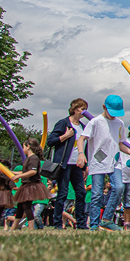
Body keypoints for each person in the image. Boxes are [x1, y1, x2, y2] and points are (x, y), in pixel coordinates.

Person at [76, 94, 129, 231]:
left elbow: (120, 144)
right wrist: (81, 154)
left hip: (115, 161)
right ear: (104, 107)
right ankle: (94, 224)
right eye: (111, 112)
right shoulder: (95, 122)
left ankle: (106, 219)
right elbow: (81, 139)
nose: (113, 116)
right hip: (98, 161)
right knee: (97, 193)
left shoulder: (119, 123)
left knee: (118, 188)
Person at [47, 98, 89, 229]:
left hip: (77, 165)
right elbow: (50, 141)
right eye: (83, 109)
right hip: (64, 164)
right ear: (76, 109)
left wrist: (85, 166)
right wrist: (65, 136)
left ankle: (81, 223)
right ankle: (58, 223)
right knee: (63, 193)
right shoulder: (63, 123)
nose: (85, 112)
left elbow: (86, 146)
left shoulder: (83, 127)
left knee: (81, 193)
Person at [10, 139, 49, 230]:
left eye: (23, 146)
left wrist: (18, 176)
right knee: (20, 206)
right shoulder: (28, 159)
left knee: (27, 206)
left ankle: (31, 228)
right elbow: (24, 171)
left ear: (28, 146)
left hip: (31, 185)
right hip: (26, 184)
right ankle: (14, 227)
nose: (22, 148)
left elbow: (33, 171)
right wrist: (11, 172)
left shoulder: (34, 158)